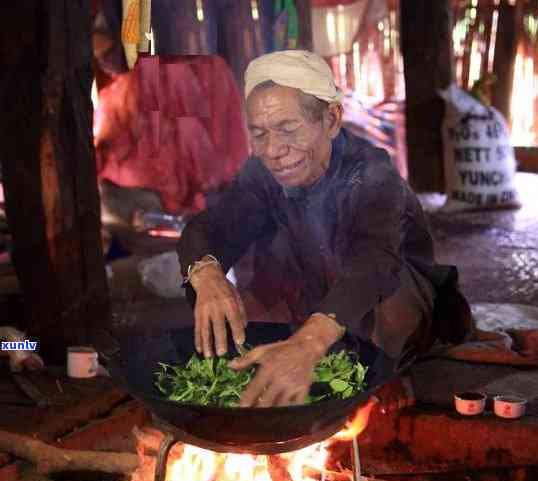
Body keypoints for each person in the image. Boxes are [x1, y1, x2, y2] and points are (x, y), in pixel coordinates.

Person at [177, 50, 470, 408]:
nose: (273, 150)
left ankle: (383, 373)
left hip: (384, 300)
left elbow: (374, 261)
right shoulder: (261, 173)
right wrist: (205, 272)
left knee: (387, 296)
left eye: (288, 129)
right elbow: (213, 226)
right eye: (259, 133)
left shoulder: (373, 174)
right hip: (310, 295)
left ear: (331, 119)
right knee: (246, 291)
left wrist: (309, 342)